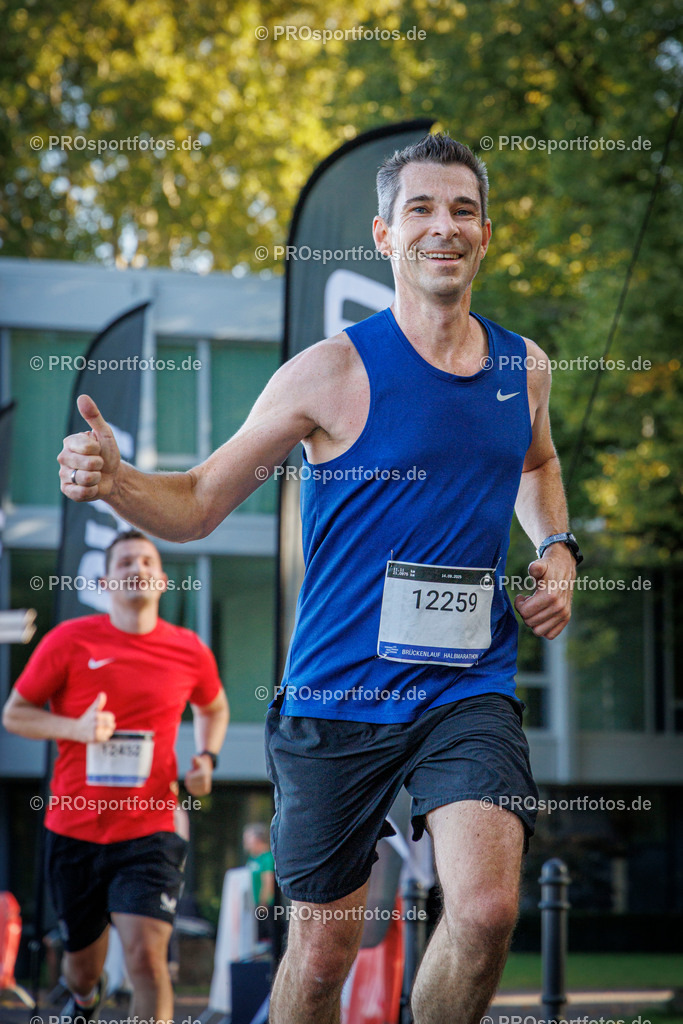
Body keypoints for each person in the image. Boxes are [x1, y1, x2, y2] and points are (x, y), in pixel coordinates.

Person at [55, 132, 581, 1024]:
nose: (442, 227)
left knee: (487, 910)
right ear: (383, 236)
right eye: (419, 209)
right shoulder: (328, 372)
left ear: (484, 235)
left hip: (467, 689)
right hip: (337, 698)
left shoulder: (519, 367)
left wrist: (559, 548)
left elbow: (535, 466)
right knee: (323, 951)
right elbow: (195, 503)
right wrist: (118, 483)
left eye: (461, 210)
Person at [2, 529, 229, 1024]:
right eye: (124, 561)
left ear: (164, 581)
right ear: (105, 581)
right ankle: (85, 998)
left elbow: (214, 707)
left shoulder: (189, 649)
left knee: (147, 957)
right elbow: (15, 714)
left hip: (151, 829)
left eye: (147, 560)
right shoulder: (70, 640)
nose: (137, 568)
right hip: (74, 829)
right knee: (82, 969)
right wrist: (76, 728)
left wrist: (207, 758)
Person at [243, 822, 275, 941]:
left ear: (257, 839)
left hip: (265, 906)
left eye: (247, 838)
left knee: (265, 939)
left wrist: (263, 904)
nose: (245, 842)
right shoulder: (252, 858)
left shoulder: (267, 858)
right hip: (252, 905)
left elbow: (268, 881)